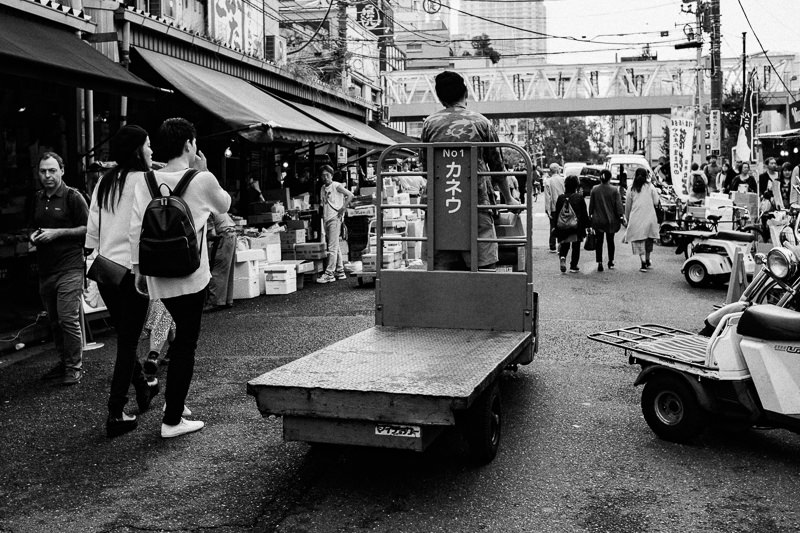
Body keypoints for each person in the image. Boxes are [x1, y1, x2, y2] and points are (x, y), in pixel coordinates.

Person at [130, 117, 231, 439]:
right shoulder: (201, 179)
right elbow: (224, 205)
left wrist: (138, 271)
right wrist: (205, 167)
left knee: (178, 338)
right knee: (185, 343)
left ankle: (175, 401)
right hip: (191, 277)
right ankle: (172, 419)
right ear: (189, 145)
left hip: (158, 276)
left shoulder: (145, 180)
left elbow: (136, 230)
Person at [85, 125, 160, 437]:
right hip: (132, 272)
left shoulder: (105, 181)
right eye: (148, 145)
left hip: (105, 271)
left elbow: (92, 228)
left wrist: (93, 255)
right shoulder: (145, 181)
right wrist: (142, 269)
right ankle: (115, 411)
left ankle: (143, 390)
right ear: (136, 150)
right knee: (128, 343)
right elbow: (139, 229)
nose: (152, 151)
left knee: (125, 337)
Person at [420, 70, 519, 270]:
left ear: (440, 97)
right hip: (477, 205)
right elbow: (497, 166)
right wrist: (508, 199)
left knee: (441, 275)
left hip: (440, 207)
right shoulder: (482, 123)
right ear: (466, 92)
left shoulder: (429, 125)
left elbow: (425, 169)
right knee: (483, 270)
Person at [31, 152, 89, 385]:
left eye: (52, 170)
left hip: (70, 267)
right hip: (46, 269)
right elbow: (32, 227)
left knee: (68, 319)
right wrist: (33, 236)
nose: (48, 175)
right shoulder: (36, 198)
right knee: (54, 321)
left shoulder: (73, 197)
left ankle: (74, 367)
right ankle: (64, 361)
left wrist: (58, 233)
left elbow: (88, 228)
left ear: (62, 171)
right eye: (43, 171)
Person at [316, 165, 354, 283]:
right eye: (323, 175)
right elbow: (323, 204)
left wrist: (343, 208)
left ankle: (329, 273)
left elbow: (350, 195)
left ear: (332, 175)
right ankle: (340, 270)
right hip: (327, 218)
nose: (325, 177)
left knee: (331, 247)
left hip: (335, 218)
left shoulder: (336, 185)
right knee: (335, 245)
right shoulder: (323, 188)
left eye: (327, 175)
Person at [625, 167, 660, 272]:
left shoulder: (631, 188)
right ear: (646, 176)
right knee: (649, 239)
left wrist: (628, 218)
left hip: (636, 217)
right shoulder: (651, 187)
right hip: (650, 217)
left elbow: (628, 206)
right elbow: (656, 202)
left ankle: (643, 262)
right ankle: (648, 260)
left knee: (639, 240)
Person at [589, 169, 625, 272]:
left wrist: (590, 216)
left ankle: (599, 262)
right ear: (610, 178)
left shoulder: (595, 189)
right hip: (611, 220)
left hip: (598, 220)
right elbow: (618, 206)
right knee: (610, 241)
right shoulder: (614, 190)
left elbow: (591, 206)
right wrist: (621, 216)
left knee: (599, 241)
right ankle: (611, 261)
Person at [554, 175, 590, 274]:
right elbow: (584, 214)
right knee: (576, 246)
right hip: (575, 227)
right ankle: (573, 266)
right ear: (576, 186)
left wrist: (555, 227)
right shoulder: (579, 197)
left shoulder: (561, 198)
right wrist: (587, 225)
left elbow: (557, 213)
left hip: (563, 226)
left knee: (565, 244)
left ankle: (562, 257)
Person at [204, 212, 237, 311]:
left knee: (217, 271)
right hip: (232, 235)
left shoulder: (207, 212)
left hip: (223, 236)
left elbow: (212, 234)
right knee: (227, 269)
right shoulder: (218, 206)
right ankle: (227, 300)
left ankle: (215, 302)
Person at [543, 163, 565, 253]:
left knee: (553, 226)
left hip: (553, 208)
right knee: (563, 225)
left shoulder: (548, 181)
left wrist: (547, 210)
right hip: (563, 206)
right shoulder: (563, 180)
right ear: (557, 170)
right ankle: (562, 244)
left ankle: (552, 246)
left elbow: (547, 197)